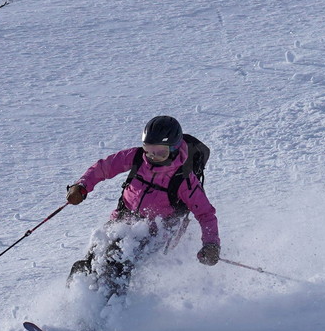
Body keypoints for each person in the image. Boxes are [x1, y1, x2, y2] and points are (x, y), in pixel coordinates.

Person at [64, 115, 219, 300]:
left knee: (116, 263)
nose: (153, 157)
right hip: (122, 220)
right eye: (149, 150)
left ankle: (111, 312)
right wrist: (81, 186)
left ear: (175, 149)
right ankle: (74, 304)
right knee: (92, 259)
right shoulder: (137, 157)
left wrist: (211, 245)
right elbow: (103, 168)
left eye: (160, 152)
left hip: (156, 232)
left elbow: (206, 214)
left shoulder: (185, 180)